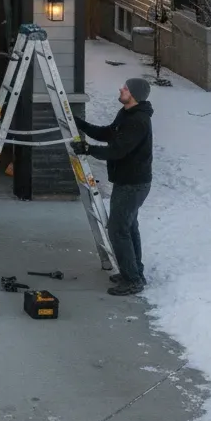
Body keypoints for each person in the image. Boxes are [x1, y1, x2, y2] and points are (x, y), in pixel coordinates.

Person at [71, 78, 154, 297]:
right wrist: (80, 123)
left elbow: (117, 150)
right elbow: (108, 134)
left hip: (134, 184)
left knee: (118, 230)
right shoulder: (126, 114)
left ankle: (133, 280)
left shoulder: (139, 121)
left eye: (125, 88)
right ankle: (134, 271)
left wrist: (87, 150)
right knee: (128, 228)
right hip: (125, 182)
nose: (121, 89)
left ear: (134, 94)